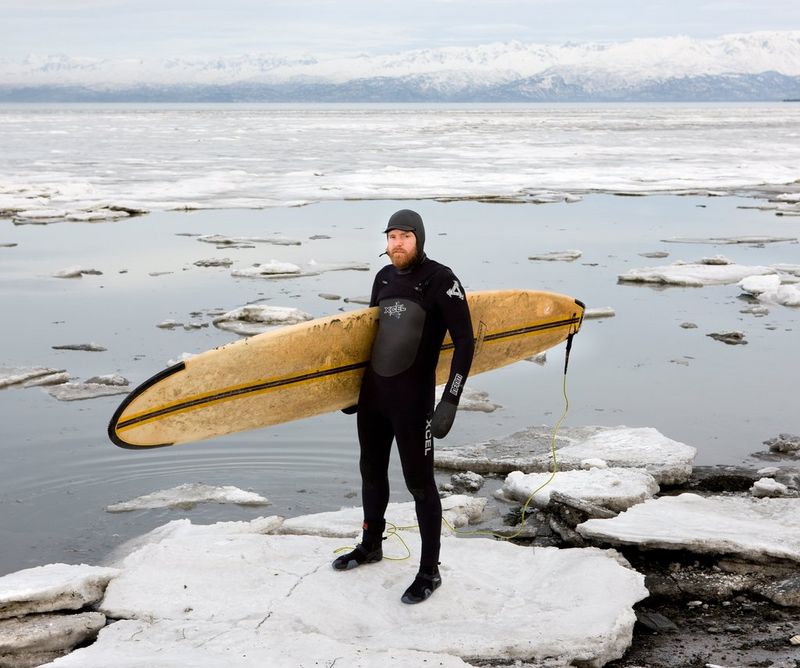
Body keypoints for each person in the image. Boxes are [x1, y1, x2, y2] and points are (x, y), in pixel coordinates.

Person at [333, 209, 475, 604]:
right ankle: (371, 545)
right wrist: (348, 391)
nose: (397, 243)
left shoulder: (441, 280)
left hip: (413, 401)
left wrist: (450, 397)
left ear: (420, 239)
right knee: (371, 473)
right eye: (392, 236)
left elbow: (465, 342)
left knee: (420, 484)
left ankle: (430, 571)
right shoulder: (383, 278)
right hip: (374, 396)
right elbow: (371, 338)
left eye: (405, 236)